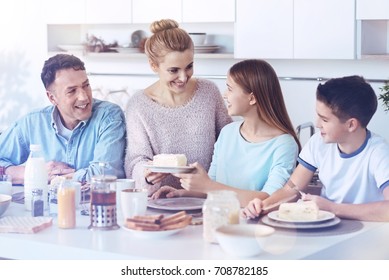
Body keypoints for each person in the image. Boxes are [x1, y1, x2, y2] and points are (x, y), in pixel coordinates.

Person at [155, 59, 301, 207]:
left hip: (254, 227)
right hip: (219, 219)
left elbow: (268, 199)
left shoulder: (284, 144)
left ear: (252, 98)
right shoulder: (228, 133)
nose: (225, 95)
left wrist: (207, 185)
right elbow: (212, 186)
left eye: (230, 89)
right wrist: (181, 194)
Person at [243, 75, 389, 222]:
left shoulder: (379, 152)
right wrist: (263, 205)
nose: (317, 123)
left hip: (368, 232)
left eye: (325, 119)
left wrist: (333, 208)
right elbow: (291, 189)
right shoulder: (318, 143)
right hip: (329, 227)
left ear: (351, 125)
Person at [124, 19, 232, 195]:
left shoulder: (209, 92)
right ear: (153, 65)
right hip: (160, 201)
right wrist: (146, 175)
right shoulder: (138, 105)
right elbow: (135, 161)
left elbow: (230, 144)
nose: (183, 77)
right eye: (174, 70)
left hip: (207, 200)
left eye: (189, 67)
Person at [0, 54, 126, 184]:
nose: (84, 97)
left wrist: (58, 178)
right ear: (52, 98)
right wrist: (33, 172)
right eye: (72, 91)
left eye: (85, 85)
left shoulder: (109, 116)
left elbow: (105, 174)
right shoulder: (32, 122)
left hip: (96, 203)